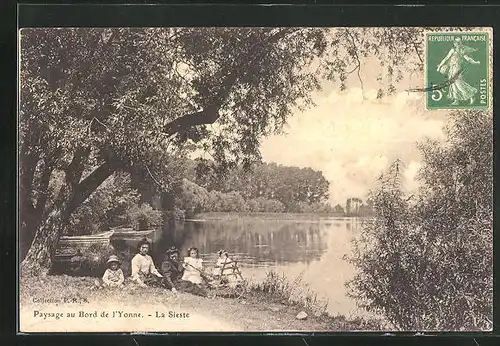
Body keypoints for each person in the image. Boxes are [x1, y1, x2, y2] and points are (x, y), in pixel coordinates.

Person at [437, 37, 481, 105]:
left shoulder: (461, 51)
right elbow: (446, 58)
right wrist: (440, 66)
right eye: (455, 42)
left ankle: (472, 96)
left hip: (457, 68)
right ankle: (456, 100)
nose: (456, 44)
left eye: (457, 43)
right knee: (453, 84)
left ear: (459, 43)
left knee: (458, 83)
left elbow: (468, 59)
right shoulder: (453, 50)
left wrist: (475, 62)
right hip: (451, 69)